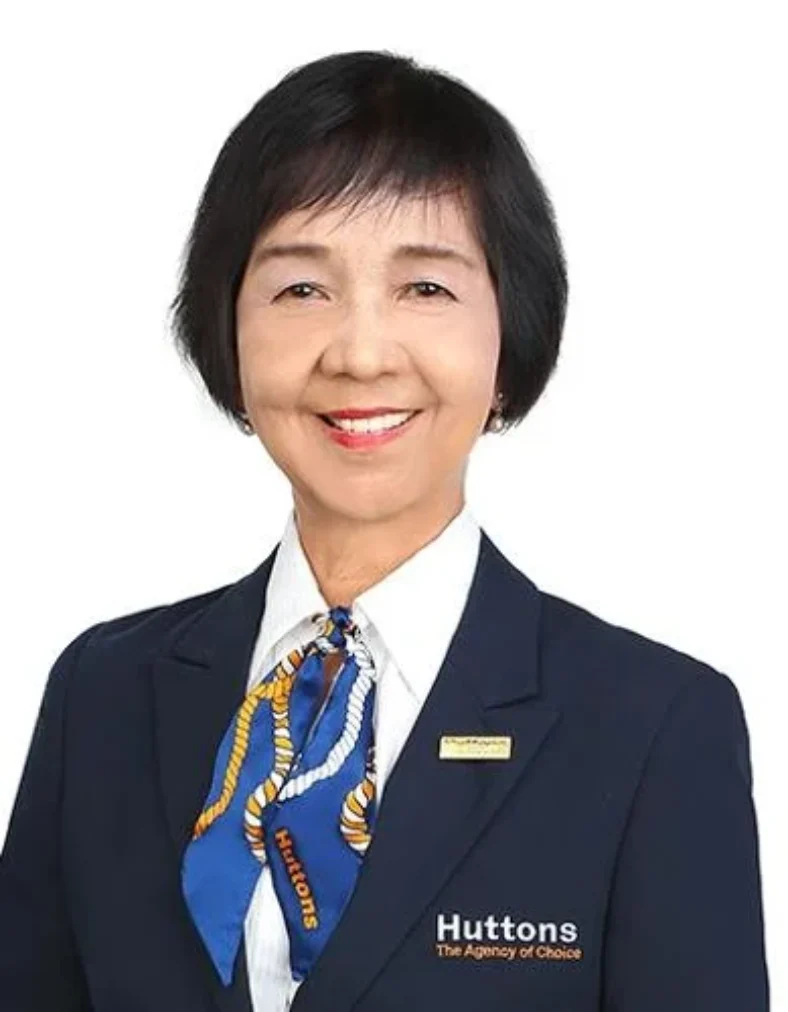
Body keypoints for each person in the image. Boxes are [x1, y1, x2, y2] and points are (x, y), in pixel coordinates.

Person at [0, 48, 769, 1012]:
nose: (361, 355)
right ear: (229, 332)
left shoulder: (654, 727)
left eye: (426, 288)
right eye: (301, 289)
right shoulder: (102, 695)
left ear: (509, 340)